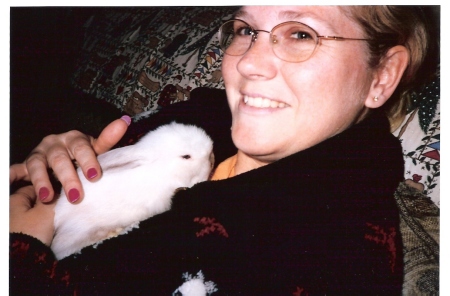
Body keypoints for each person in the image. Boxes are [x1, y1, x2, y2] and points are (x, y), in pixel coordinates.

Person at [10, 5, 437, 295]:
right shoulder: (209, 114)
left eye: (301, 34)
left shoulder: (329, 249)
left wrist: (19, 251)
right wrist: (63, 153)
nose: (247, 62)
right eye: (246, 30)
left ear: (381, 77)